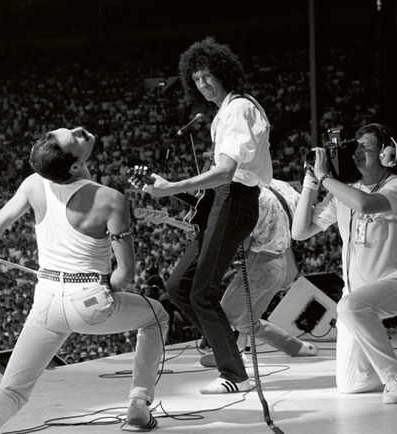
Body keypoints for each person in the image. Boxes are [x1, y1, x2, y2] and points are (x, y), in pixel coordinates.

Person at [0, 126, 169, 433]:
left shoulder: (34, 184)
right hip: (90, 301)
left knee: (14, 386)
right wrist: (105, 287)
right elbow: (126, 274)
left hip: (47, 302)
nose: (79, 131)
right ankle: (139, 402)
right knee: (156, 317)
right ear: (74, 165)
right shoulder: (112, 200)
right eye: (75, 137)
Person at [143, 37, 273, 394]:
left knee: (202, 291)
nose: (203, 84)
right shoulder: (227, 111)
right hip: (225, 201)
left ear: (224, 72)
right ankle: (227, 345)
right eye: (196, 78)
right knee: (178, 287)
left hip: (235, 200)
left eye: (208, 75)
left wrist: (169, 188)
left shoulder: (236, 110)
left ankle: (234, 374)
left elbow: (226, 173)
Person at [292, 123, 397, 404]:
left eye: (366, 147)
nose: (357, 153)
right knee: (350, 385)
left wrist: (326, 180)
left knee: (348, 304)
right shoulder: (344, 191)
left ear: (386, 154)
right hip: (356, 297)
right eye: (355, 147)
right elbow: (299, 232)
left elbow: (365, 204)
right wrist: (312, 181)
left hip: (396, 283)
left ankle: (395, 379)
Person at [201, 180, 319, 368]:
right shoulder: (282, 185)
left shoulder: (246, 196)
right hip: (283, 264)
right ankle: (297, 347)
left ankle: (231, 356)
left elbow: (244, 243)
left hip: (260, 267)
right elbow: (307, 214)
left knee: (223, 316)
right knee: (248, 323)